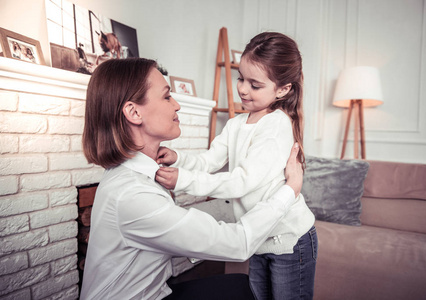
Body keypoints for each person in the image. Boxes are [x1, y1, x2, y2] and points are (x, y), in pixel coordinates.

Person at [80, 57, 305, 300]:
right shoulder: (133, 194)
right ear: (134, 112)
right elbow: (237, 243)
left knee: (242, 286)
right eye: (167, 96)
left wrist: (180, 164)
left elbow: (224, 179)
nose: (177, 105)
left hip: (154, 292)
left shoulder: (136, 173)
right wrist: (291, 189)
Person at [156, 32, 317, 300]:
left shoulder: (276, 125)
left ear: (283, 89)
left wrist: (182, 179)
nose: (242, 89)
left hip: (291, 240)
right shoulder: (235, 125)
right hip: (258, 237)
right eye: (241, 78)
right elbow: (209, 161)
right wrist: (179, 159)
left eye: (255, 85)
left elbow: (241, 181)